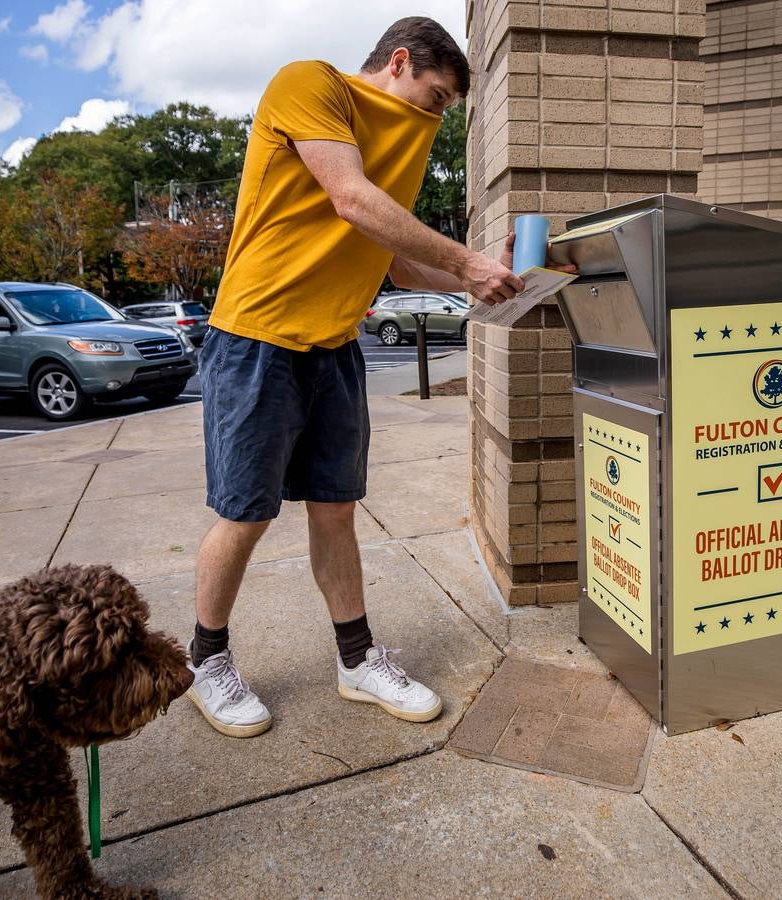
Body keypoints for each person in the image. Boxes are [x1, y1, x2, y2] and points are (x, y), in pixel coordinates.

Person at [187, 16, 525, 738]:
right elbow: (349, 197)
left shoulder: (403, 141)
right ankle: (205, 661)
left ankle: (356, 659)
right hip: (256, 339)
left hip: (335, 347)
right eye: (435, 98)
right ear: (399, 62)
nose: (435, 116)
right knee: (245, 512)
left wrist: (481, 283)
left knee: (336, 509)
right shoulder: (309, 84)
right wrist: (469, 259)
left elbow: (398, 260)